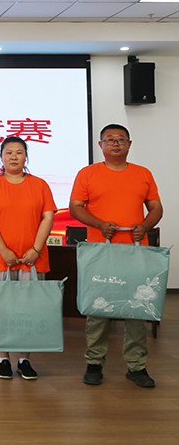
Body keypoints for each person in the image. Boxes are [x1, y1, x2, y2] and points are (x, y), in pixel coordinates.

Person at [70, 123, 163, 388]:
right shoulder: (88, 174)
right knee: (98, 308)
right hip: (101, 251)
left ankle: (137, 366)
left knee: (136, 307)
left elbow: (156, 208)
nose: (115, 143)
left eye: (121, 139)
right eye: (109, 139)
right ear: (100, 145)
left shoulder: (142, 174)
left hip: (135, 251)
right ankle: (94, 364)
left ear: (129, 145)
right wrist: (99, 224)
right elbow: (75, 207)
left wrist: (145, 226)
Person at [0, 137, 56, 380]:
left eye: (19, 152)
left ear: (26, 157)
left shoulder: (39, 185)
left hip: (33, 259)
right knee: (1, 309)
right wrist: (3, 250)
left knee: (29, 310)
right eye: (9, 152)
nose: (14, 156)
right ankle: (3, 358)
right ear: (1, 157)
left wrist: (35, 249)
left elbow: (48, 217)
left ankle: (24, 359)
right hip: (1, 258)